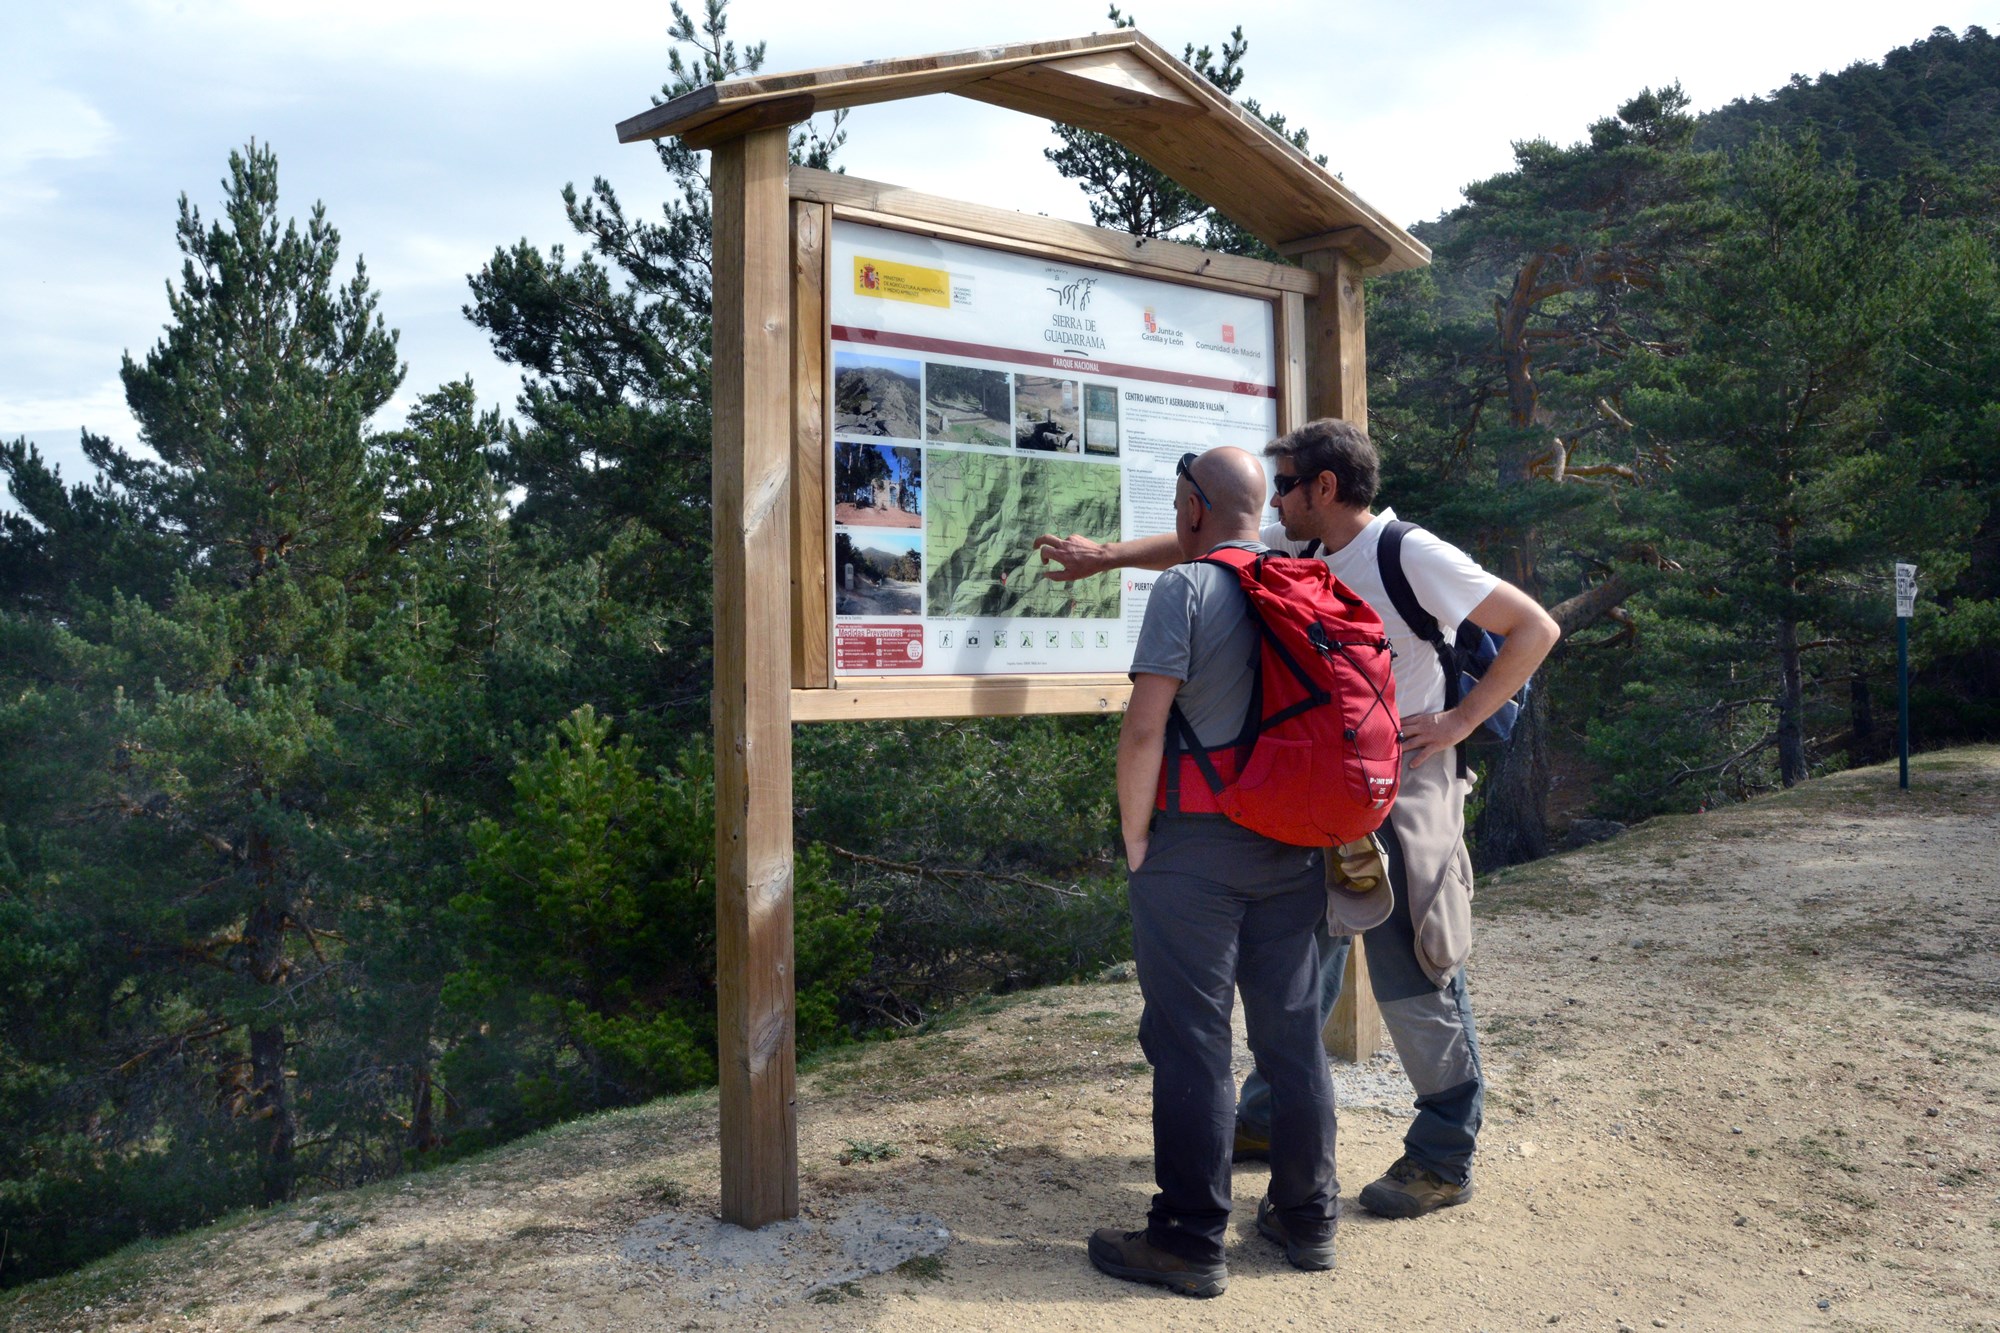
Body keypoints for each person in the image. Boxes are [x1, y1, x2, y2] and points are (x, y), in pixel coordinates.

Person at [1039, 418, 1559, 1220]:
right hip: (1320, 793)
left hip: (1407, 783)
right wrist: (1105, 557)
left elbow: (1535, 626)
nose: (1275, 502)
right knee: (1299, 967)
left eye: (1286, 486)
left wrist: (1457, 723)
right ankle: (1265, 1117)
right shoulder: (1305, 557)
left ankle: (1443, 1154)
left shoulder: (1408, 552)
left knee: (1414, 961)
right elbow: (1200, 549)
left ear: (1325, 487)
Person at [1086, 446, 1341, 1299]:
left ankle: (1190, 1238)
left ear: (1193, 508)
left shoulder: (1185, 589)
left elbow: (1144, 729)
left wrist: (1135, 839)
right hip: (1293, 846)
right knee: (1292, 1033)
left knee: (1193, 1038)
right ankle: (1307, 1218)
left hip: (1195, 847)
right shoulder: (1300, 582)